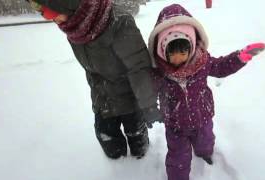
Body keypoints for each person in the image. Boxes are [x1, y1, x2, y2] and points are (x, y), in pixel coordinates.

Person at [27, 0, 163, 159]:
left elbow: (138, 66)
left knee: (138, 144)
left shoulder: (118, 22)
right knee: (109, 144)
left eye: (50, 12)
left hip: (130, 97)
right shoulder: (74, 25)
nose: (48, 18)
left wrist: (149, 104)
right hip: (102, 98)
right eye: (42, 12)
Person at [147, 4, 265, 180]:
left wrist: (241, 57)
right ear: (163, 50)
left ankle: (205, 153)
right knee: (177, 159)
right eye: (173, 52)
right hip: (175, 125)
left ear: (192, 46)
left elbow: (221, 67)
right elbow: (145, 88)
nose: (178, 58)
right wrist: (147, 107)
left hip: (202, 117)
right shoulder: (159, 71)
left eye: (183, 51)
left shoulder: (201, 62)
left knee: (205, 143)